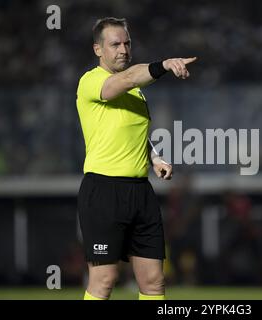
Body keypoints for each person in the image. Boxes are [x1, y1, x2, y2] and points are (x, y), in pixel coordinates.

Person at [76, 17, 197, 300]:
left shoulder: (137, 93)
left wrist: (154, 158)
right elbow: (129, 77)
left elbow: (134, 133)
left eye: (127, 43)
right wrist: (164, 65)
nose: (123, 49)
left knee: (154, 281)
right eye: (115, 44)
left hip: (141, 192)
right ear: (98, 50)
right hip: (104, 190)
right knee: (105, 279)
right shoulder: (91, 82)